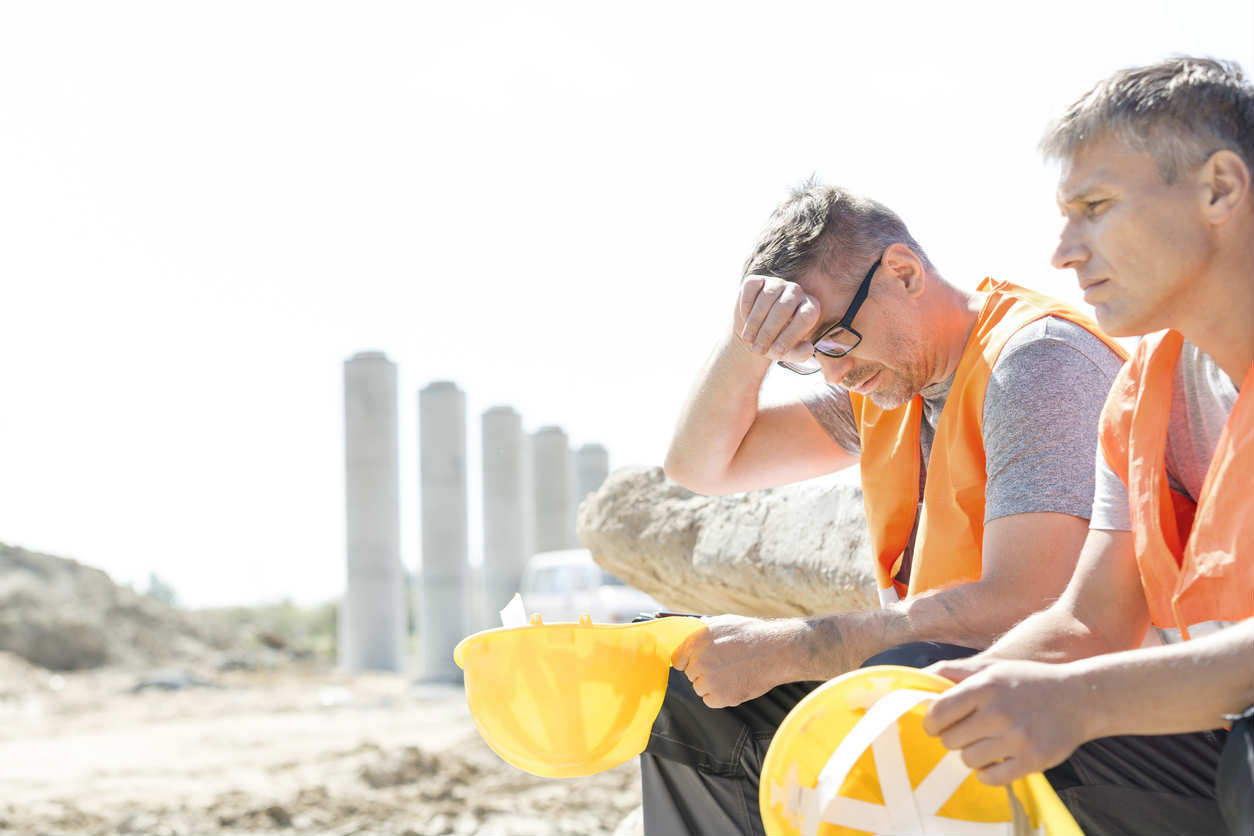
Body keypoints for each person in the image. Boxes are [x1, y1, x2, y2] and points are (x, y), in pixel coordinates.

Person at [644, 181, 1127, 835]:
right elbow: (699, 466)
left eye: (837, 338)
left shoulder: (1038, 362)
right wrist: (745, 344)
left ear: (902, 273)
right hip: (949, 691)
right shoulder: (884, 387)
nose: (835, 373)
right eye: (806, 357)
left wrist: (799, 647)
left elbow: (1030, 607)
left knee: (895, 676)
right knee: (690, 690)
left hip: (1099, 727)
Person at [920, 57, 1253, 836]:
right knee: (948, 721)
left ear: (1219, 189)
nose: (1063, 252)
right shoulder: (1141, 398)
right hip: (1221, 737)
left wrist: (1075, 702)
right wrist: (969, 686)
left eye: (1094, 207)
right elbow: (1088, 624)